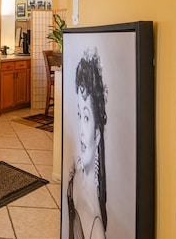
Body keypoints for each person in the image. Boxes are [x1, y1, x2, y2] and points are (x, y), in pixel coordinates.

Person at [67, 48, 108, 239]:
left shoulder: (95, 225)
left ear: (98, 134)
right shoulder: (74, 176)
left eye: (86, 117)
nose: (81, 131)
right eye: (78, 114)